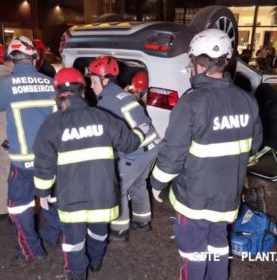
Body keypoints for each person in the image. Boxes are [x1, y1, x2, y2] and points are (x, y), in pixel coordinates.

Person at [150, 29, 263, 280]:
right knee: (218, 248)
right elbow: (253, 146)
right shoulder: (247, 101)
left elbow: (172, 153)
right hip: (227, 198)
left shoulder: (191, 104)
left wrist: (157, 184)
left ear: (198, 65)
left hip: (194, 201)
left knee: (194, 255)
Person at [33, 67, 146, 280]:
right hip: (101, 196)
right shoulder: (102, 117)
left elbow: (43, 164)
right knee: (98, 233)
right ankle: (95, 262)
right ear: (83, 91)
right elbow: (130, 143)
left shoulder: (51, 124)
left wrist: (43, 192)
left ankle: (77, 274)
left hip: (70, 199)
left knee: (73, 242)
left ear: (56, 94)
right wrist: (141, 129)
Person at [0, 36, 61, 265]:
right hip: (51, 159)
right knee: (51, 199)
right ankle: (53, 237)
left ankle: (32, 252)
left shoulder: (6, 84)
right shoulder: (51, 82)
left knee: (19, 209)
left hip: (22, 162)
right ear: (34, 59)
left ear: (12, 59)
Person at [87, 56, 159, 241]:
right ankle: (143, 222)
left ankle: (119, 230)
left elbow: (111, 138)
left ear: (105, 80)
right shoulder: (123, 93)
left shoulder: (106, 104)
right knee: (138, 183)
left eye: (94, 81)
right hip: (152, 147)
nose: (91, 86)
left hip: (137, 151)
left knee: (117, 187)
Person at [0, 43, 14, 218]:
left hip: (0, 136)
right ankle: (3, 209)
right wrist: (2, 138)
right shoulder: (4, 80)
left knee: (2, 172)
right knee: (6, 173)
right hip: (3, 137)